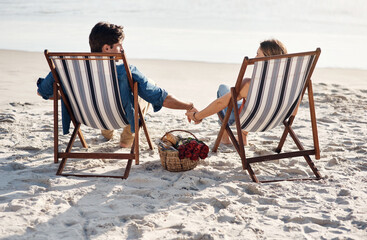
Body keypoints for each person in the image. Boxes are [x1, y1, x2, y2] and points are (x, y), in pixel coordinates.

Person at [37, 21, 199, 148]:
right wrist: (188, 105)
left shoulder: (65, 69)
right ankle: (126, 139)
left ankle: (106, 133)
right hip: (118, 118)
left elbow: (43, 92)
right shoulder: (125, 70)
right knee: (144, 90)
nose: (123, 49)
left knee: (100, 93)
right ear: (107, 48)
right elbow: (161, 98)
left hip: (87, 118)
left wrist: (71, 94)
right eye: (120, 45)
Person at [186, 39, 287, 146]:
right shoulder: (288, 84)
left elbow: (220, 103)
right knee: (241, 97)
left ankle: (225, 137)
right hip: (274, 120)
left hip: (246, 120)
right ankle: (243, 136)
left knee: (223, 90)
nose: (255, 57)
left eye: (257, 54)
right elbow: (293, 112)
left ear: (266, 59)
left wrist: (197, 116)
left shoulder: (250, 84)